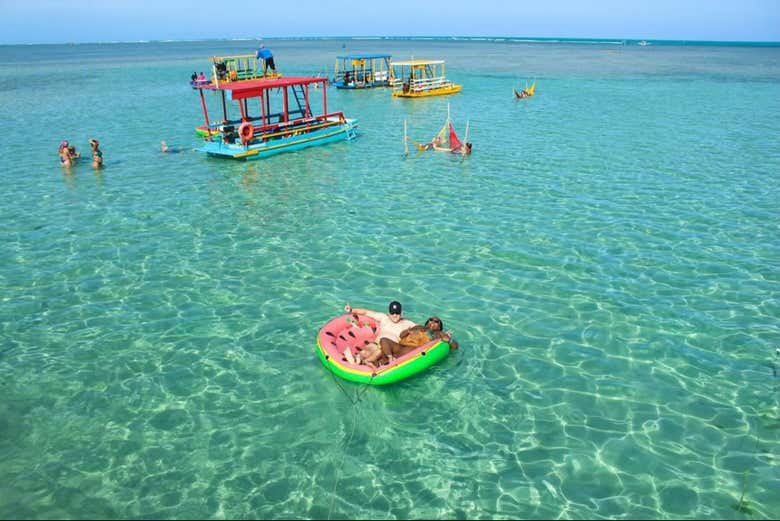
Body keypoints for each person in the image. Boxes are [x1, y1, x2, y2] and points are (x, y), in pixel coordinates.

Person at [342, 301, 415, 365]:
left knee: (376, 353)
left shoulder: (407, 323)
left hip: (387, 350)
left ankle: (361, 362)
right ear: (389, 313)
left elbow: (420, 330)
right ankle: (355, 360)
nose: (394, 315)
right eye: (392, 312)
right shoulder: (384, 318)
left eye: (397, 312)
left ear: (401, 313)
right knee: (364, 352)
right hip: (375, 344)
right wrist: (351, 310)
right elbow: (366, 312)